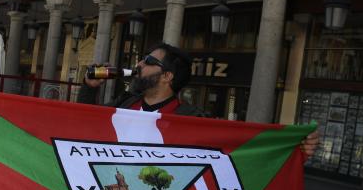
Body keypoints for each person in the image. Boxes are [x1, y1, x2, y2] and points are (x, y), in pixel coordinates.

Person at [79, 43, 319, 156]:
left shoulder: (192, 120)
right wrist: (89, 88)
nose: (139, 65)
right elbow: (83, 127)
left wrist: (294, 147)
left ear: (167, 76)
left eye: (149, 62)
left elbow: (240, 151)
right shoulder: (125, 104)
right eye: (142, 59)